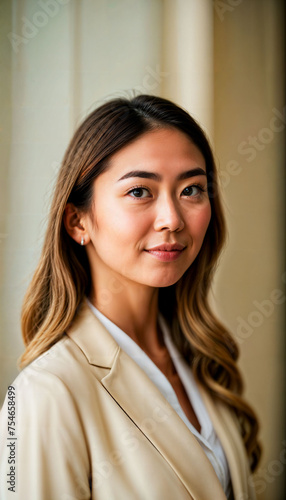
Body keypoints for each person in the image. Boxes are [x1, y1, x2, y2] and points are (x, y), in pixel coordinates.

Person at [0, 94, 261, 500]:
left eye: (192, 189)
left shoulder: (202, 362)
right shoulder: (45, 393)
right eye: (140, 191)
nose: (172, 219)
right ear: (77, 220)